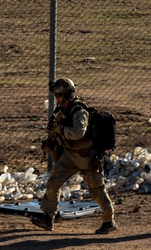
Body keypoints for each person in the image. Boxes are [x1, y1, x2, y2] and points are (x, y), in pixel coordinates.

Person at [29, 78, 116, 234]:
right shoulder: (63, 109)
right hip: (70, 155)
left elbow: (77, 133)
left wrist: (61, 129)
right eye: (56, 95)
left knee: (97, 190)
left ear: (68, 94)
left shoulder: (79, 111)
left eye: (60, 95)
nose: (57, 99)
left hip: (87, 157)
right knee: (53, 181)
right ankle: (48, 218)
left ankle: (109, 221)